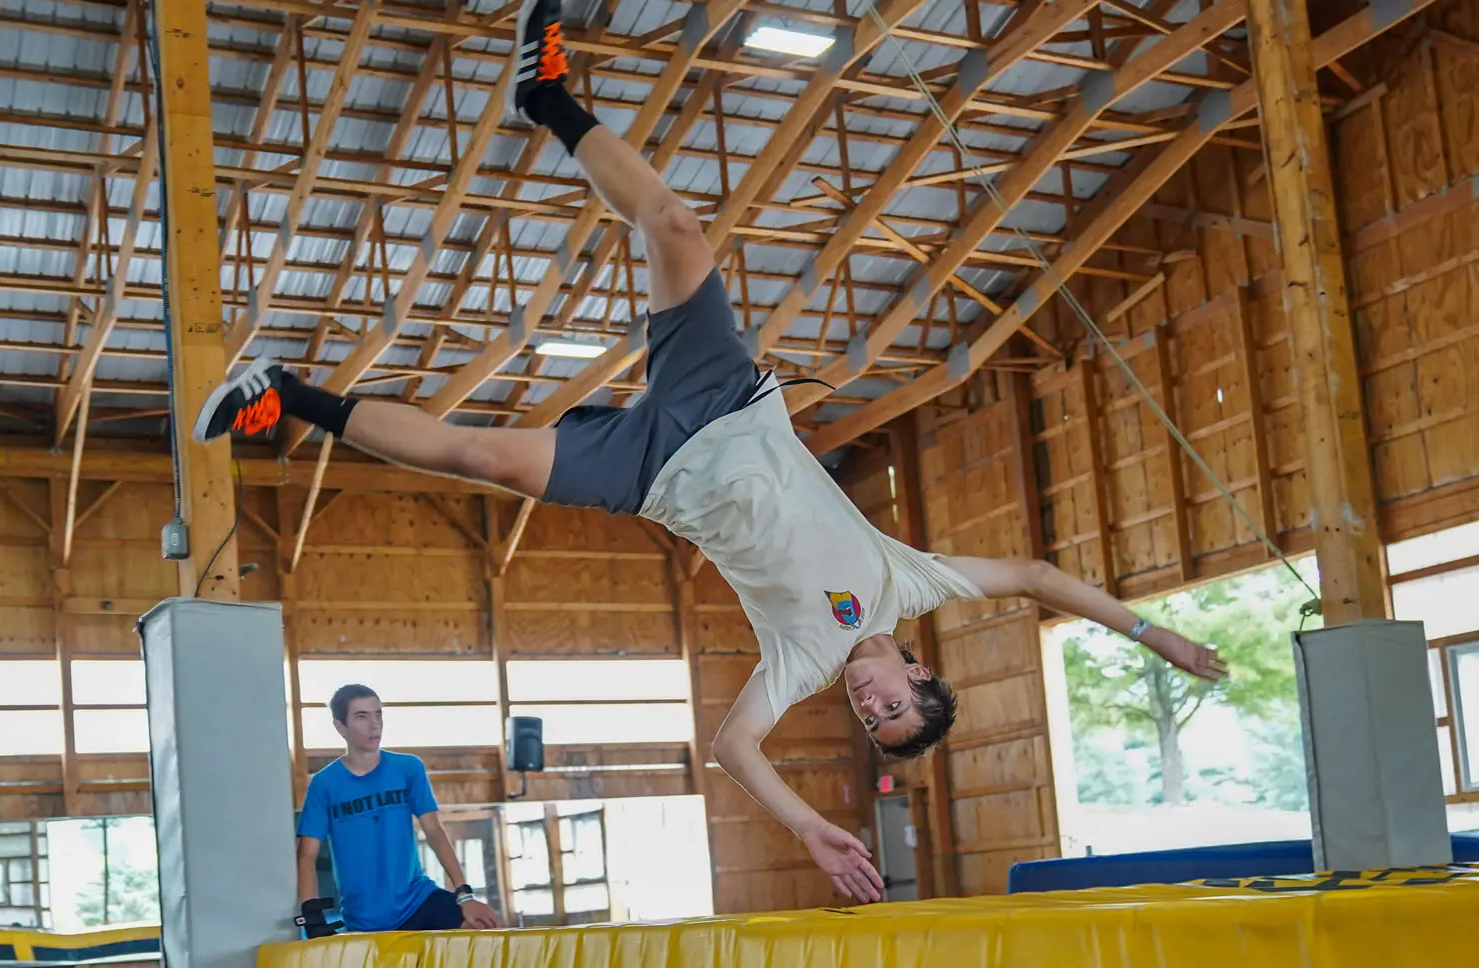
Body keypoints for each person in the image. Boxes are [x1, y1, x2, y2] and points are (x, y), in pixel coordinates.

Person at [199, 0, 1227, 907]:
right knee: (678, 224)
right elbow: (1039, 574)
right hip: (730, 398)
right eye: (896, 709)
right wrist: (1160, 638)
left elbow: (731, 749)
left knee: (487, 459)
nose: (873, 710)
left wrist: (807, 828)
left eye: (876, 729)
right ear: (917, 670)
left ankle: (282, 397)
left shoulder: (803, 660)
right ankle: (550, 97)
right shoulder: (908, 582)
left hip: (658, 473)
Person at [295, 684, 502, 933]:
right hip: (365, 921)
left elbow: (434, 831)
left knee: (479, 926)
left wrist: (464, 894)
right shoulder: (324, 784)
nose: (375, 725)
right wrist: (312, 914)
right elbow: (306, 854)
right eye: (362, 717)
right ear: (340, 727)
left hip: (418, 899)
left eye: (378, 714)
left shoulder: (408, 768)